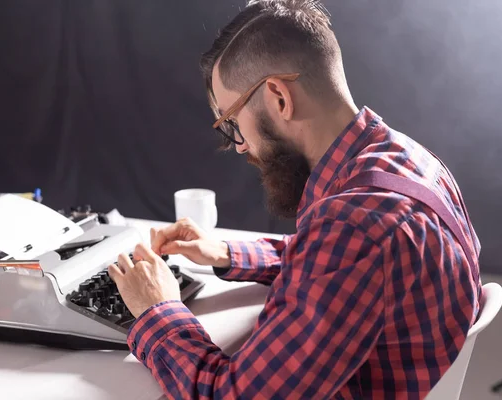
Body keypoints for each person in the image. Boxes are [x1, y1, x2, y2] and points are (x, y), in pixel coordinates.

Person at [108, 0, 482, 398]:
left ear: (278, 98)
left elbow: (231, 395)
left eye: (232, 123)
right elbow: (337, 261)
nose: (239, 147)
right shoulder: (410, 162)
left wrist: (157, 309)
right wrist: (224, 252)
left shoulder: (354, 227)